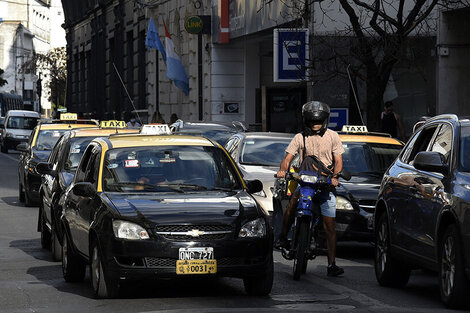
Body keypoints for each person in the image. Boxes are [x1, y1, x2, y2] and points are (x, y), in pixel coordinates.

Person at [275, 101, 345, 277]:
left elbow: (338, 161)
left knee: (330, 225)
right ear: (306, 121)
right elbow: (288, 157)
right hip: (305, 183)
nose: (316, 124)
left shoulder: (333, 136)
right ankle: (283, 237)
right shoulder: (300, 137)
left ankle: (331, 264)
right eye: (313, 121)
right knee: (291, 205)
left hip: (325, 184)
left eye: (319, 121)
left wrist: (335, 177)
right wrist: (283, 170)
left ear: (325, 121)